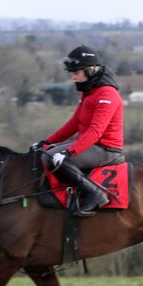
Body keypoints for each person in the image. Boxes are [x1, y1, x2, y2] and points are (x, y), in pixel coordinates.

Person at [31, 45, 124, 216]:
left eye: (76, 73)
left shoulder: (106, 95)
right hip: (90, 145)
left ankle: (95, 194)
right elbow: (74, 124)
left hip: (105, 149)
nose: (73, 78)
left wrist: (69, 152)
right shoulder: (89, 92)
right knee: (46, 152)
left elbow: (96, 132)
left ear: (90, 70)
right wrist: (47, 141)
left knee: (53, 158)